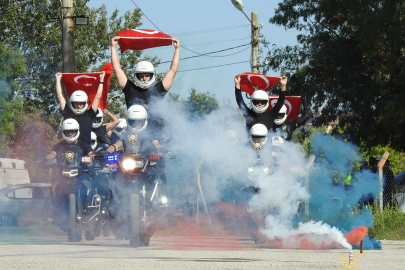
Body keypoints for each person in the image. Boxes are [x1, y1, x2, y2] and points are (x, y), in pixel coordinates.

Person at [110, 36, 180, 108]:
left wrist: (177, 49)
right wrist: (113, 47)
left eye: (147, 76)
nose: (144, 78)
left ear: (151, 76)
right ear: (136, 76)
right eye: (141, 76)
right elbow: (116, 68)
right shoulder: (130, 88)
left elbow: (173, 70)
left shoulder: (159, 90)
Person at [55, 71, 105, 147]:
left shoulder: (89, 114)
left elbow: (98, 97)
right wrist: (58, 79)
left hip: (86, 151)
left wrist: (101, 80)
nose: (78, 106)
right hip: (69, 149)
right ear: (72, 103)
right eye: (76, 103)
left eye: (81, 103)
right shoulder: (68, 113)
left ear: (85, 103)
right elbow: (60, 97)